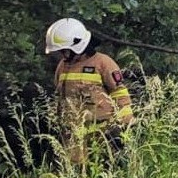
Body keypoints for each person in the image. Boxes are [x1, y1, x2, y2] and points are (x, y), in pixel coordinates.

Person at [44, 17, 133, 167]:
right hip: (73, 132)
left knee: (104, 169)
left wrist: (124, 125)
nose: (62, 54)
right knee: (77, 172)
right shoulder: (63, 66)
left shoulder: (103, 63)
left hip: (102, 131)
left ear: (78, 45)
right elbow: (60, 94)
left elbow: (120, 93)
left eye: (64, 50)